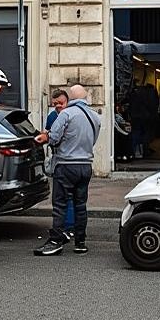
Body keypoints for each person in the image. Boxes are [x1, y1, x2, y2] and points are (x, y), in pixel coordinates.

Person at [33, 84, 100, 256]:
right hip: (85, 165)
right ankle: (80, 243)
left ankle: (55, 241)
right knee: (80, 205)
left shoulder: (66, 114)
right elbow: (93, 140)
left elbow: (54, 138)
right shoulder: (95, 117)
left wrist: (46, 137)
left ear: (70, 98)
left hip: (66, 165)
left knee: (60, 205)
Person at [43, 89, 73, 232]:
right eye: (55, 103)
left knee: (66, 198)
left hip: (66, 160)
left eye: (61, 103)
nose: (58, 106)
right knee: (66, 198)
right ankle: (69, 227)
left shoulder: (72, 115)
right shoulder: (52, 116)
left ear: (67, 101)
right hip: (61, 159)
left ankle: (67, 227)